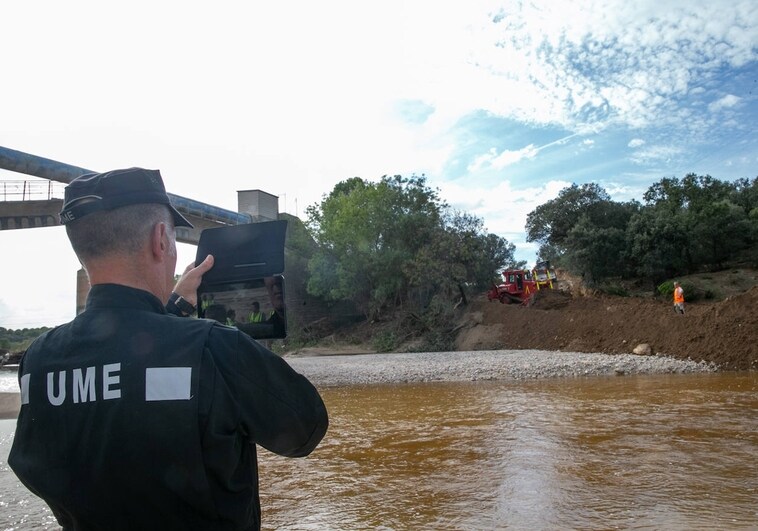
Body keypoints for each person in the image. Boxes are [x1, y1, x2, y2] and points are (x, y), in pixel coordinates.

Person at [9, 168, 328, 530]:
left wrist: (174, 307)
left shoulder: (38, 361)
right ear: (161, 240)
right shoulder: (214, 349)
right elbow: (305, 430)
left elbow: (121, 382)